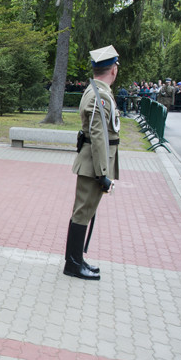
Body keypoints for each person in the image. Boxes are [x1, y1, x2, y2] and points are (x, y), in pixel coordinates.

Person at [64, 45, 121, 281]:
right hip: (93, 165)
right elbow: (99, 138)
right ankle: (73, 264)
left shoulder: (98, 92)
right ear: (114, 70)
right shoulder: (99, 97)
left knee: (84, 212)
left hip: (93, 164)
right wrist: (102, 174)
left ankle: (77, 259)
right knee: (82, 213)